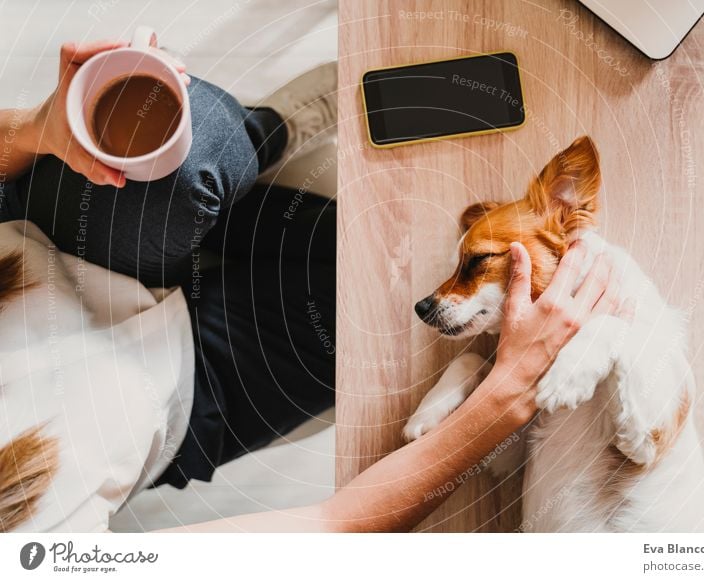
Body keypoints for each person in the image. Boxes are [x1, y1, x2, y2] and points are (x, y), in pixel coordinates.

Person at [0, 40, 630, 533]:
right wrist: (511, 388)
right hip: (187, 391)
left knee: (195, 148)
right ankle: (237, 188)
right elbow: (331, 526)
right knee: (364, 301)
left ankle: (261, 138)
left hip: (66, 235)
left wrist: (34, 130)